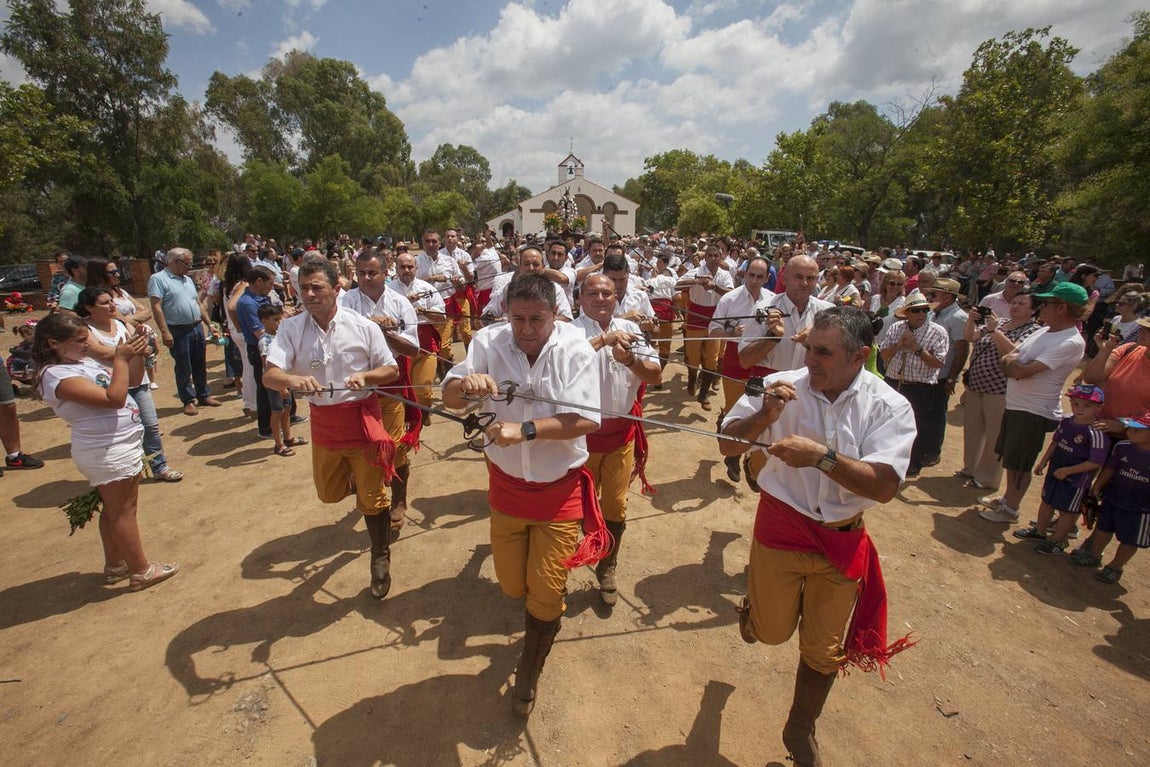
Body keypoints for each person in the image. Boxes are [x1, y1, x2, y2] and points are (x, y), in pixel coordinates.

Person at [720, 306, 916, 767]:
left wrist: (822, 458)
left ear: (859, 356)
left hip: (842, 538)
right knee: (769, 635)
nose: (810, 360)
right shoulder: (779, 386)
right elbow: (727, 444)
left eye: (824, 353)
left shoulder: (890, 406)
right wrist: (763, 419)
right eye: (809, 348)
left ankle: (800, 727)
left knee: (824, 650)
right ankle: (756, 614)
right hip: (781, 525)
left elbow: (884, 487)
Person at [442, 273, 605, 718]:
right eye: (518, 319)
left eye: (537, 318)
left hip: (560, 492)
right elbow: (449, 395)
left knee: (546, 594)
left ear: (556, 314)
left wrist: (526, 429)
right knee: (514, 586)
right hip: (507, 490)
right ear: (505, 314)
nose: (527, 328)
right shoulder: (488, 342)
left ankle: (528, 672)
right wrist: (466, 386)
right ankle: (533, 619)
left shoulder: (574, 348)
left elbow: (589, 420)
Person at [263, 256, 400, 599]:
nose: (308, 294)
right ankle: (360, 482)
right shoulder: (291, 328)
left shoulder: (363, 326)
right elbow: (270, 374)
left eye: (316, 287)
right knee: (328, 493)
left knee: (373, 497)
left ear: (337, 289)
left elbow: (391, 371)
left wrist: (365, 377)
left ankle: (380, 555)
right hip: (325, 426)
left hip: (362, 421)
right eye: (303, 287)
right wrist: (292, 379)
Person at [33, 312, 178, 591]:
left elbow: (132, 381)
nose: (87, 346)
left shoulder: (80, 362)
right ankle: (141, 570)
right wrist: (120, 358)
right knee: (124, 511)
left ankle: (115, 564)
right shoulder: (55, 376)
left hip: (117, 445)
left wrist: (136, 351)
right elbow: (113, 399)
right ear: (53, 343)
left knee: (114, 510)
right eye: (79, 341)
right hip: (106, 449)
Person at [575, 274, 662, 606]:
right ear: (580, 298)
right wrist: (605, 340)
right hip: (578, 438)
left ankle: (607, 566)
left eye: (607, 293)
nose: (600, 298)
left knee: (616, 505)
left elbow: (655, 375)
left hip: (620, 436)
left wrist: (630, 360)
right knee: (578, 507)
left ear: (617, 297)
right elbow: (561, 368)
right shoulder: (567, 331)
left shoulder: (634, 330)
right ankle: (572, 554)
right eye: (593, 293)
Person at [979, 282, 1088, 524]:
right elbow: (1012, 356)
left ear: (1061, 307)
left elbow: (1021, 370)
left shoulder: (1070, 341)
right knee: (1011, 457)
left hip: (1034, 411)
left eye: (1047, 303)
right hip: (1018, 404)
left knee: (1020, 463)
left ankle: (1011, 509)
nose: (1042, 307)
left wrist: (1013, 364)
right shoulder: (1044, 331)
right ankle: (1008, 499)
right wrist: (1013, 364)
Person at [341, 249, 421, 534]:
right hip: (356, 385)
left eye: (372, 272)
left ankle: (399, 500)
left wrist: (389, 334)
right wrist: (368, 328)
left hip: (390, 381)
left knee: (395, 446)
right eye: (360, 273)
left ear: (386, 273)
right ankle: (368, 491)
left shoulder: (400, 304)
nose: (366, 278)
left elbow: (413, 349)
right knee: (362, 446)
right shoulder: (345, 303)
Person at [77, 287, 182, 483]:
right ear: (89, 307)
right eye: (104, 302)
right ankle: (132, 470)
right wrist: (135, 348)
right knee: (122, 430)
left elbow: (146, 347)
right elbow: (104, 354)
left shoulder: (120, 324)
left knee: (150, 425)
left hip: (138, 382)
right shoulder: (85, 331)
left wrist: (141, 345)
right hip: (109, 386)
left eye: (111, 301)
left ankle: (160, 466)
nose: (112, 305)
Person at [1011, 384, 1108, 553]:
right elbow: (1055, 442)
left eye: (1087, 406)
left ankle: (1057, 541)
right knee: (1047, 502)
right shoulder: (1066, 421)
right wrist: (1043, 461)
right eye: (1076, 403)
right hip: (1055, 471)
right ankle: (1040, 531)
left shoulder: (1096, 432)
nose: (1080, 409)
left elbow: (1096, 462)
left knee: (1067, 511)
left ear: (1099, 408)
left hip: (1075, 480)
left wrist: (1068, 471)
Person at [959, 292, 1041, 491]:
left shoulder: (1033, 331)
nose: (1015, 306)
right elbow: (971, 337)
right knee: (973, 429)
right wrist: (971, 321)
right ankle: (970, 468)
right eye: (1014, 302)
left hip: (1000, 389)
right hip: (977, 384)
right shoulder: (1000, 322)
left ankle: (987, 478)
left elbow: (1016, 355)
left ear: (1034, 310)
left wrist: (995, 332)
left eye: (1021, 304)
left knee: (995, 435)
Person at [1069, 410, 1150, 583]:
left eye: (1137, 430)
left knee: (1130, 539)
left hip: (1141, 509)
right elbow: (1110, 469)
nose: (1129, 431)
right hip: (1114, 498)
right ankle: (1093, 555)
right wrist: (1097, 487)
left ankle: (1115, 566)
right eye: (1129, 428)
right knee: (1103, 528)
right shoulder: (1122, 447)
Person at [880, 293, 949, 477]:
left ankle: (913, 461)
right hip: (895, 382)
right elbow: (884, 355)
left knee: (917, 424)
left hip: (921, 386)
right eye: (916, 310)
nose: (921, 314)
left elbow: (939, 362)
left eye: (924, 310)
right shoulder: (896, 328)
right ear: (908, 313)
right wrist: (899, 345)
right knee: (888, 421)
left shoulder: (938, 332)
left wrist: (916, 348)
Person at [148, 247, 222, 416]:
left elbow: (197, 303)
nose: (190, 266)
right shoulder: (158, 279)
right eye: (187, 263)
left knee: (199, 363)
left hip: (196, 327)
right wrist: (165, 332)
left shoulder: (187, 280)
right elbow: (156, 307)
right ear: (174, 262)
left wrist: (209, 324)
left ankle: (203, 395)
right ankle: (188, 400)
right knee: (183, 365)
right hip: (177, 330)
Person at [709, 256, 774, 418]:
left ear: (767, 278)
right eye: (751, 275)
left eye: (760, 277)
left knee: (759, 408)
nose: (754, 280)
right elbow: (713, 331)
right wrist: (732, 333)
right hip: (734, 357)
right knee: (733, 407)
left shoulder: (774, 300)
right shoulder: (729, 299)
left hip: (763, 359)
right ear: (745, 274)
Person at [390, 252, 447, 418]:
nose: (406, 270)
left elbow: (442, 318)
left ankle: (422, 414)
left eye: (410, 267)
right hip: (399, 347)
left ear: (416, 268)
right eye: (402, 267)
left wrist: (425, 312)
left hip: (425, 345)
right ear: (396, 268)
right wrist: (407, 305)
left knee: (423, 390)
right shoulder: (388, 291)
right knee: (404, 393)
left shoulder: (427, 289)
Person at [676, 244, 733, 400]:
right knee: (692, 356)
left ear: (721, 258)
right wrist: (696, 281)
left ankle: (703, 393)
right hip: (695, 315)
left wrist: (715, 286)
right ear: (705, 257)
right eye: (710, 255)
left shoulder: (724, 275)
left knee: (712, 358)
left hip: (715, 317)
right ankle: (693, 377)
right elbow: (677, 285)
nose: (713, 259)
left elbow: (731, 293)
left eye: (717, 256)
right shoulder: (696, 272)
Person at [923, 278, 969, 467]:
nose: (931, 297)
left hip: (942, 375)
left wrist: (951, 377)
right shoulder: (936, 313)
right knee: (926, 413)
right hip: (929, 372)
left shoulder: (958, 318)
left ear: (948, 297)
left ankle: (933, 453)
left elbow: (962, 350)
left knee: (936, 415)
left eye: (935, 294)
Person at [257, 304, 302, 458]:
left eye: (280, 319)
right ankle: (278, 444)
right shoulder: (265, 341)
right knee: (277, 411)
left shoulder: (279, 335)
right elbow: (267, 366)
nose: (279, 322)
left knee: (287, 408)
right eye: (274, 320)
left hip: (285, 379)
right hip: (276, 383)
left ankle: (288, 437)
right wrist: (280, 386)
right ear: (264, 321)